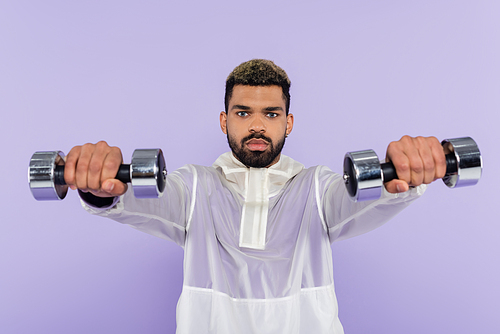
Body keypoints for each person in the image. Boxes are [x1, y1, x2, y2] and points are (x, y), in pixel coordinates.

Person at [63, 59, 447, 334]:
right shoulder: (194, 186)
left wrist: (408, 173)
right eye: (244, 113)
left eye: (272, 114)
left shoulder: (317, 187)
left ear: (288, 122)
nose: (258, 125)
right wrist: (101, 189)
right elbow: (144, 201)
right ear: (224, 120)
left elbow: (357, 199)